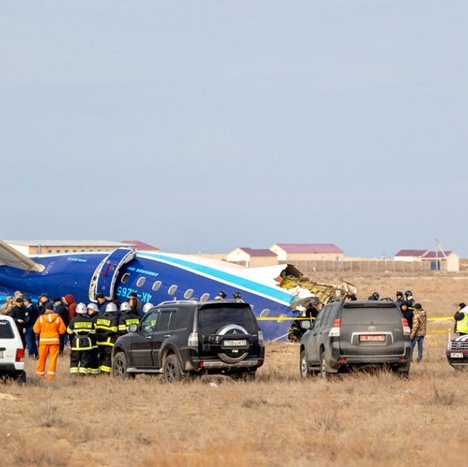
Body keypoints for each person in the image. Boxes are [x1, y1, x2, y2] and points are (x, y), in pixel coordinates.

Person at [33, 302, 67, 379]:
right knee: (53, 359)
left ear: (45, 309)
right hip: (54, 342)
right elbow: (62, 330)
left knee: (42, 358)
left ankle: (39, 374)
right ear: (53, 309)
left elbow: (36, 330)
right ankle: (50, 376)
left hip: (43, 342)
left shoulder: (41, 318)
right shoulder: (58, 318)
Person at [67, 302, 96, 375]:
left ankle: (73, 375)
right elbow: (93, 332)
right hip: (87, 344)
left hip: (76, 343)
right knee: (85, 360)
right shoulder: (89, 321)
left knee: (74, 360)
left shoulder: (73, 320)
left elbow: (69, 331)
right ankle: (82, 375)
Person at [94, 302, 119, 375]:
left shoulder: (100, 318)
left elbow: (96, 329)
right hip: (108, 342)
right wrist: (105, 335)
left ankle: (100, 371)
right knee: (107, 358)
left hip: (100, 342)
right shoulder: (114, 318)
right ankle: (105, 373)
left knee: (101, 356)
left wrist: (100, 336)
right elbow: (113, 329)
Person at [86, 303, 100, 375]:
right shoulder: (90, 318)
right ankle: (90, 372)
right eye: (88, 310)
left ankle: (94, 372)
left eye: (90, 310)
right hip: (91, 341)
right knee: (89, 357)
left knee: (93, 357)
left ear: (94, 310)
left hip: (95, 341)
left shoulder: (96, 319)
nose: (89, 311)